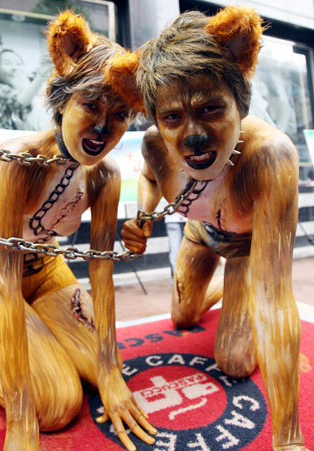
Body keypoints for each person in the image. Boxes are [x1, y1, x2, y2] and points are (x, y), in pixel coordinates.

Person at [0, 11, 156, 451]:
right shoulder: (17, 163)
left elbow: (102, 274)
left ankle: (50, 341)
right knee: (55, 405)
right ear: (63, 101)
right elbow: (4, 286)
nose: (104, 127)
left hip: (50, 272)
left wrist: (109, 372)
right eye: (91, 105)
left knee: (106, 367)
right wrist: (19, 417)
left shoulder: (104, 176)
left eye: (120, 114)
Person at [120, 6, 308, 450]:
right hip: (198, 235)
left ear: (238, 104)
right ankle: (224, 284)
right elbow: (149, 178)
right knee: (182, 318)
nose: (194, 135)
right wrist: (144, 217)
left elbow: (276, 299)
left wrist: (290, 440)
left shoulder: (270, 156)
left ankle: (235, 278)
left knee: (236, 360)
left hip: (248, 249)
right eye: (173, 118)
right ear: (157, 119)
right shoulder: (155, 146)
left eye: (211, 109)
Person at [0, 48, 52, 130]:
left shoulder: (28, 86)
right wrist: (40, 76)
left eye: (18, 64)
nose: (15, 68)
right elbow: (20, 103)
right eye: (7, 63)